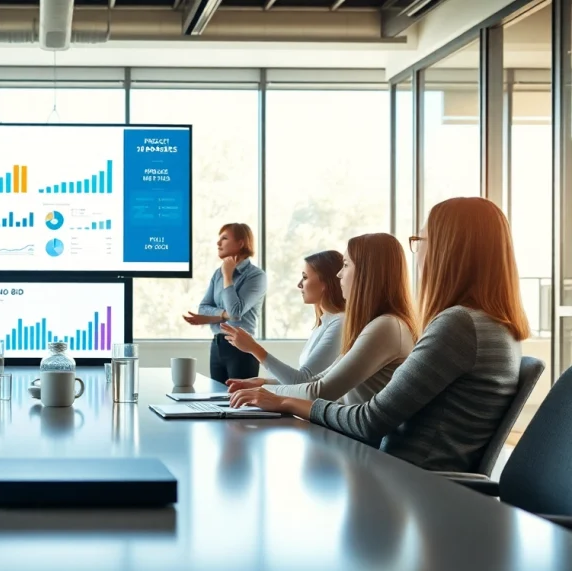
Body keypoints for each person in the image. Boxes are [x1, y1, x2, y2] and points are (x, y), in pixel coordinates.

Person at [231, 198, 530, 472]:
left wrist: (283, 401)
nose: (417, 251)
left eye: (420, 240)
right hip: (409, 479)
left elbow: (369, 421)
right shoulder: (493, 326)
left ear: (447, 250)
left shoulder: (459, 325)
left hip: (410, 484)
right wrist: (274, 392)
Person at [233, 233, 417, 405]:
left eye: (345, 265)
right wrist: (264, 385)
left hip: (358, 439)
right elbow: (318, 380)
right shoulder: (374, 325)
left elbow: (318, 391)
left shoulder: (386, 327)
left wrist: (265, 389)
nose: (339, 274)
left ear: (367, 272)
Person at [222, 250, 346, 387]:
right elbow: (308, 381)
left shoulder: (339, 323)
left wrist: (253, 348)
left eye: (305, 278)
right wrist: (262, 383)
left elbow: (302, 382)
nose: (299, 284)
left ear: (325, 283)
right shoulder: (324, 323)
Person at [183, 223, 267, 381]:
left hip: (241, 348)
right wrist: (223, 314)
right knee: (216, 400)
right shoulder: (218, 274)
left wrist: (228, 276)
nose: (218, 243)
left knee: (239, 402)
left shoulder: (256, 276)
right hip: (217, 346)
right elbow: (203, 308)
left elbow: (235, 312)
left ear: (241, 243)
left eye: (224, 238)